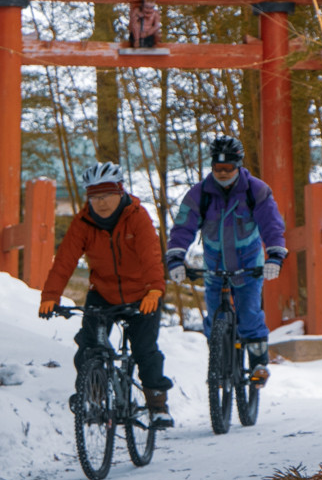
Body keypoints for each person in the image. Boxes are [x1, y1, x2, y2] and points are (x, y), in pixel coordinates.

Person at [38, 161, 173, 426]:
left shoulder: (137, 216)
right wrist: (50, 296)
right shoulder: (83, 222)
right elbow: (65, 261)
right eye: (94, 197)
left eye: (107, 195)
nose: (101, 203)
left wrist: (155, 290)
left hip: (142, 295)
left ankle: (157, 405)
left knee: (145, 350)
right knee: (89, 347)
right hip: (103, 294)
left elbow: (151, 257)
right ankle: (92, 395)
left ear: (120, 191)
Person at [166, 135, 287, 385]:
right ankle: (218, 365)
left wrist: (275, 255)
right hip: (214, 265)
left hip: (249, 264)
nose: (222, 173)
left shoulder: (256, 190)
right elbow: (183, 227)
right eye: (217, 168)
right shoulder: (199, 194)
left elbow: (271, 225)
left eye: (228, 168)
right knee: (213, 319)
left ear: (238, 165)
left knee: (250, 314)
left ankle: (258, 365)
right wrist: (176, 258)